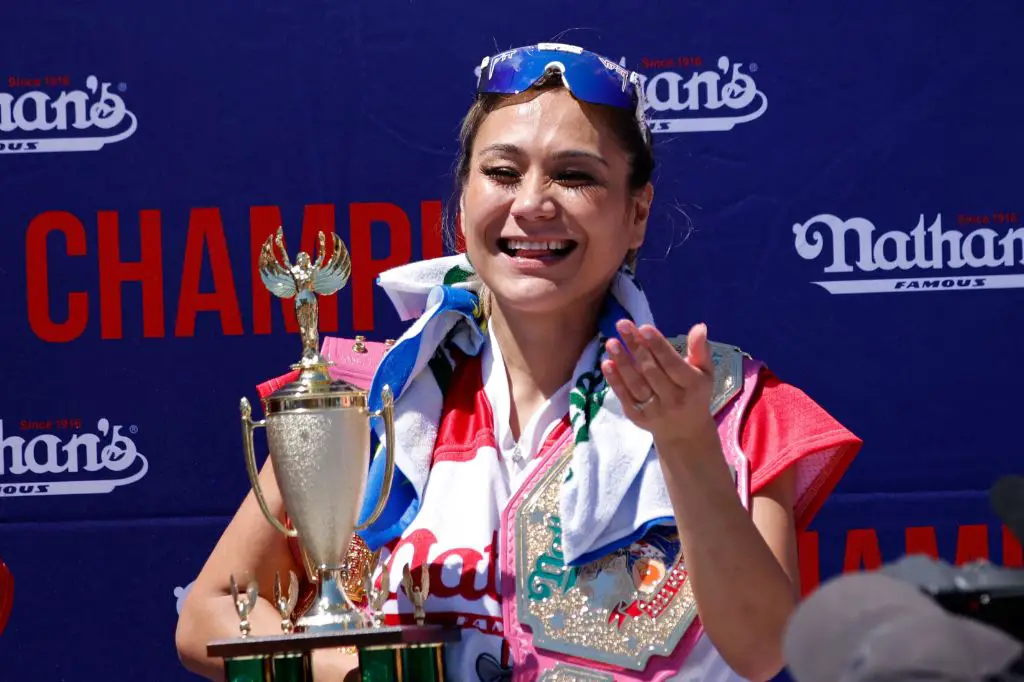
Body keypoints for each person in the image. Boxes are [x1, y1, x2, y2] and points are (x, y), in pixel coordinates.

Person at [175, 42, 863, 682]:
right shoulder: (372, 397)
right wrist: (363, 674)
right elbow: (210, 610)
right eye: (502, 172)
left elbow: (763, 646)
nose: (532, 205)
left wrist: (685, 448)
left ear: (638, 213)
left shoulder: (728, 404)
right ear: (463, 199)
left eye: (574, 175)